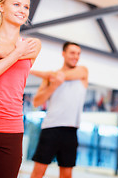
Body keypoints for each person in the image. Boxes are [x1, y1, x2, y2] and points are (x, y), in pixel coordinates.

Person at [0, 0, 41, 178]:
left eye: (26, 7)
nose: (22, 10)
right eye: (16, 4)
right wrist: (17, 52)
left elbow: (4, 52)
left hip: (12, 128)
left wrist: (14, 51)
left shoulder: (33, 44)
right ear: (1, 7)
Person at [30, 41, 88, 178]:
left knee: (66, 174)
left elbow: (62, 76)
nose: (76, 56)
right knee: (38, 172)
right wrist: (53, 86)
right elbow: (37, 101)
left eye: (78, 54)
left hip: (71, 130)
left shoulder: (82, 71)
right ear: (63, 54)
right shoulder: (50, 78)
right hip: (51, 128)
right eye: (72, 53)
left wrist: (32, 71)